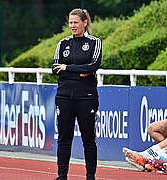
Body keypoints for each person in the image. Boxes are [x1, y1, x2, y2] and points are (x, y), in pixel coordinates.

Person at [52, 8, 102, 180]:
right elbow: (55, 69)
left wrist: (68, 68)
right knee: (64, 138)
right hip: (64, 96)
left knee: (88, 138)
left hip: (86, 97)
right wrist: (79, 72)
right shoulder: (63, 43)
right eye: (70, 22)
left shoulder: (95, 43)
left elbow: (93, 66)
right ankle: (62, 176)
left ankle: (90, 176)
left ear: (85, 23)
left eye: (76, 22)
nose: (72, 26)